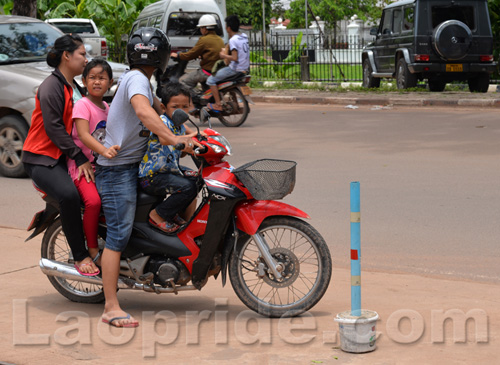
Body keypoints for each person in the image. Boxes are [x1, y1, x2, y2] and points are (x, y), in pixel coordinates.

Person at [95, 27, 198, 328]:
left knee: (186, 183)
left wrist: (190, 135)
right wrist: (172, 139)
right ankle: (110, 306)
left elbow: (159, 112)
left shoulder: (139, 80)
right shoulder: (138, 79)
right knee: (118, 234)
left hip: (129, 166)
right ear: (163, 56)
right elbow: (144, 113)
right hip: (116, 171)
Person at [21, 34, 99, 276]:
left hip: (62, 156)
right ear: (67, 56)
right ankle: (80, 255)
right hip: (41, 158)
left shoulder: (71, 85)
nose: (86, 59)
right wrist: (79, 156)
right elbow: (53, 128)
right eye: (82, 54)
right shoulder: (51, 86)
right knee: (69, 195)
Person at [68, 58, 120, 264]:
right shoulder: (83, 105)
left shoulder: (108, 107)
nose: (97, 82)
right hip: (82, 167)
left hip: (102, 166)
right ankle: (90, 248)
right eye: (92, 78)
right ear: (84, 80)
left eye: (102, 78)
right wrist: (104, 151)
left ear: (110, 82)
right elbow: (83, 135)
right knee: (94, 202)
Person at [138, 82, 200, 233]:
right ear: (164, 107)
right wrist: (194, 136)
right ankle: (158, 215)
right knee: (187, 186)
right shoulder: (162, 121)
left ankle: (176, 213)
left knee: (198, 178)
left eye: (185, 107)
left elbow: (187, 143)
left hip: (169, 170)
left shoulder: (180, 125)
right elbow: (165, 140)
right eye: (175, 107)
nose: (181, 111)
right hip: (152, 176)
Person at [206, 15, 250, 112]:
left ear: (228, 28)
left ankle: (218, 104)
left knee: (210, 80)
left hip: (235, 69)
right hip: (244, 69)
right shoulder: (244, 36)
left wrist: (223, 56)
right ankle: (235, 102)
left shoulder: (233, 40)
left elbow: (234, 57)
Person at [170, 14, 224, 89]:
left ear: (205, 28)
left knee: (183, 80)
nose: (200, 30)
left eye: (201, 28)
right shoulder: (220, 39)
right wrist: (201, 55)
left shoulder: (204, 39)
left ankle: (192, 99)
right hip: (217, 71)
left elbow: (191, 54)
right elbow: (212, 53)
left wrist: (178, 55)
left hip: (207, 72)